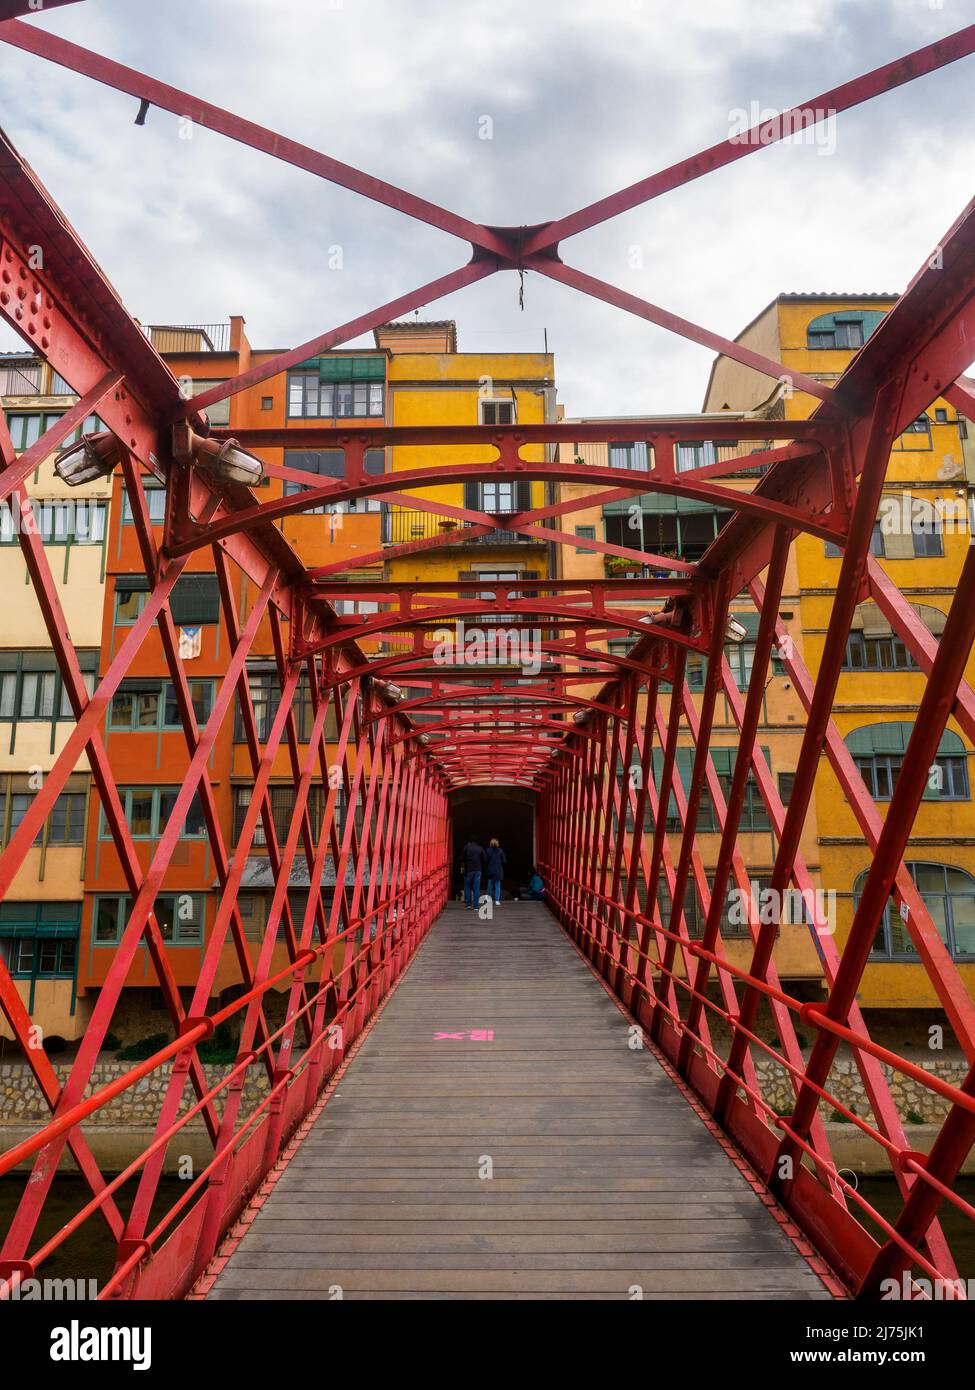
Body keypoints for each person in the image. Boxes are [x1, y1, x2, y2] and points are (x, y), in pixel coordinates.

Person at [460, 838, 487, 910]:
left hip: (468, 870)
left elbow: (461, 858)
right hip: (478, 870)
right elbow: (485, 859)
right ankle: (476, 906)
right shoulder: (480, 848)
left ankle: (468, 904)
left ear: (469, 841)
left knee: (467, 887)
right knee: (476, 888)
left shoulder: (466, 847)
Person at [485, 838, 506, 905]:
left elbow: (485, 860)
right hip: (498, 870)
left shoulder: (488, 850)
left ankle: (489, 899)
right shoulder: (500, 851)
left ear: (490, 844)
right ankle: (497, 900)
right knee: (497, 885)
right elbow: (504, 861)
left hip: (490, 869)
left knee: (490, 885)